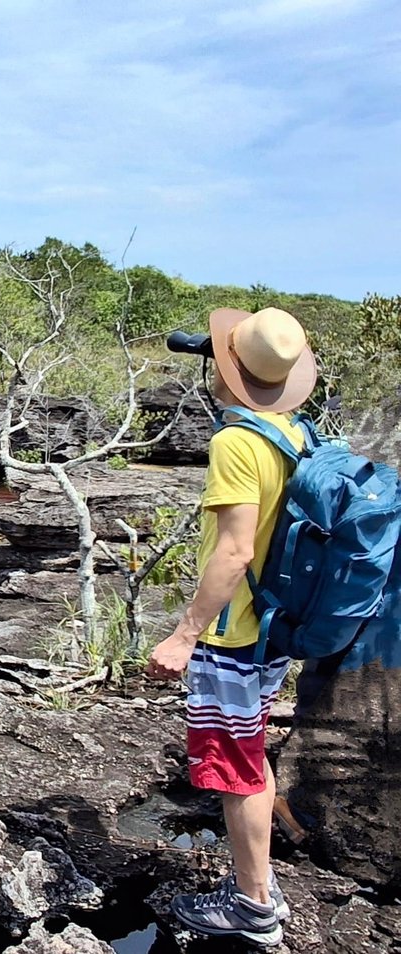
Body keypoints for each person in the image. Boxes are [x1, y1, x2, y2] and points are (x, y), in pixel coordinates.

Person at [146, 305, 319, 947]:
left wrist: (184, 633)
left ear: (227, 370)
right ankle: (260, 882)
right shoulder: (295, 434)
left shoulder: (236, 443)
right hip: (274, 629)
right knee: (251, 750)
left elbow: (235, 551)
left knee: (233, 766)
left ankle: (252, 908)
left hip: (235, 636)